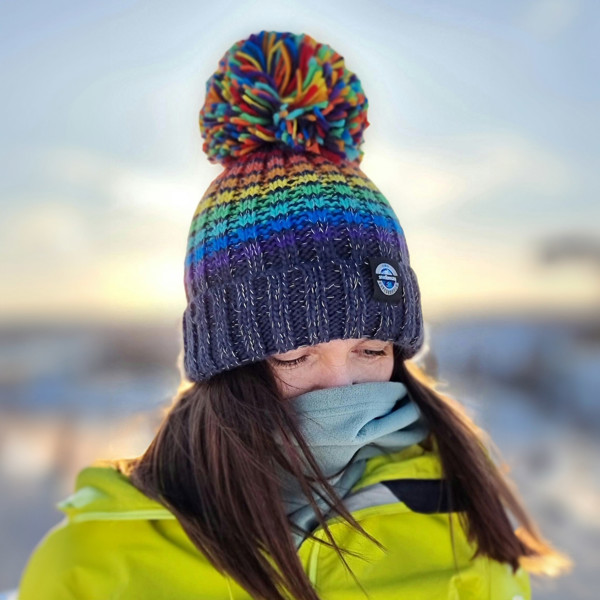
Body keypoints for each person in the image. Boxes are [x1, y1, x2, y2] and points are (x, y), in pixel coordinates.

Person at [17, 29, 571, 600]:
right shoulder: (88, 571)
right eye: (294, 353)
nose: (341, 388)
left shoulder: (465, 521)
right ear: (222, 362)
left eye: (372, 349)